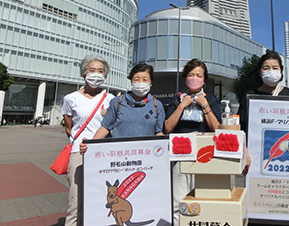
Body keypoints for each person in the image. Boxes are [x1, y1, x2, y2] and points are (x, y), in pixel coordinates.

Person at [164, 59, 221, 226]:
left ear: (204, 79)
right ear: (185, 78)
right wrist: (182, 106)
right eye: (191, 75)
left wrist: (205, 106)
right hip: (181, 155)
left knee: (202, 196)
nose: (195, 78)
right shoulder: (177, 99)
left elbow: (217, 128)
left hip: (205, 154)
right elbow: (167, 127)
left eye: (199, 75)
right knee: (179, 200)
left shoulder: (211, 99)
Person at [61, 55, 114, 226]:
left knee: (99, 197)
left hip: (103, 154)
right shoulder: (71, 98)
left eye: (101, 71)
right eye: (92, 70)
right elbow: (69, 127)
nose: (96, 74)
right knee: (76, 200)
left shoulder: (110, 99)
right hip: (79, 152)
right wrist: (78, 142)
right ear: (84, 73)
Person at [82, 63, 165, 142]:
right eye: (136, 79)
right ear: (131, 81)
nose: (140, 82)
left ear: (151, 83)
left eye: (145, 79)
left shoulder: (156, 105)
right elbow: (105, 128)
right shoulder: (118, 102)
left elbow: (158, 132)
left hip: (146, 153)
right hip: (121, 153)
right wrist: (91, 145)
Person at [237, 49, 289, 134]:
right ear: (260, 73)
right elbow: (241, 126)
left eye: (275, 68)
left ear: (281, 72)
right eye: (266, 68)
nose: (271, 71)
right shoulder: (250, 96)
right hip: (254, 145)